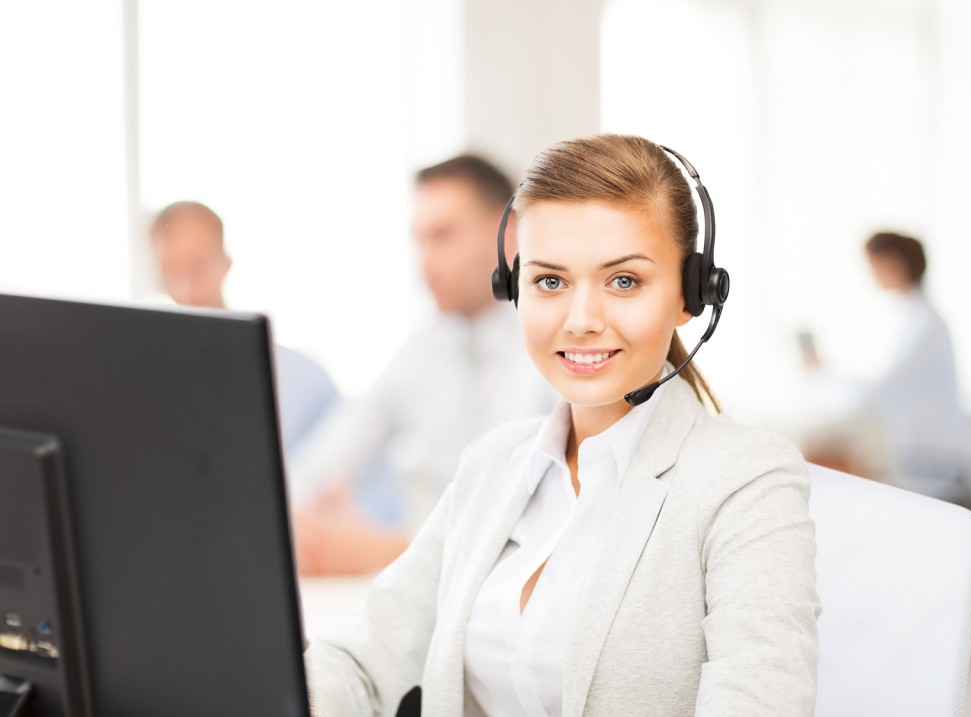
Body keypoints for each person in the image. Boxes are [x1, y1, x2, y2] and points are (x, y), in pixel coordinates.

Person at [304, 134, 820, 715]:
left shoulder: (746, 480)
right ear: (513, 287)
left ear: (691, 295)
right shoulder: (494, 465)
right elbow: (364, 661)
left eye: (624, 280)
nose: (581, 321)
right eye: (550, 280)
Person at [290, 155, 555, 574]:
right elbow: (320, 466)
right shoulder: (424, 347)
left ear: (507, 234)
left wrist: (390, 552)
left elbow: (544, 531)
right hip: (432, 596)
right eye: (419, 240)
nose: (426, 261)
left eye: (444, 236)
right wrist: (301, 528)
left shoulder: (561, 344)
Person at [149, 201, 342, 461]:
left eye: (198, 267)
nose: (186, 291)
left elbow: (363, 489)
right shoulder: (152, 387)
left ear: (225, 263)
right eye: (171, 273)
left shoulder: (305, 381)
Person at [804, 232, 971, 504]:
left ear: (894, 263)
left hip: (939, 462)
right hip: (924, 457)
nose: (871, 274)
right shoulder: (914, 321)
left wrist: (827, 375)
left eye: (874, 264)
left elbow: (883, 391)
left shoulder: (927, 327)